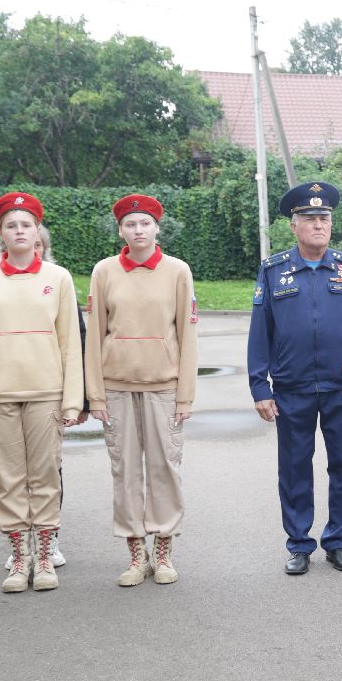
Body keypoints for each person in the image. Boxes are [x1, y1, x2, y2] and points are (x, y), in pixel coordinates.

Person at [247, 181, 342, 575]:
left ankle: (338, 541)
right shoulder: (274, 271)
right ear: (294, 226)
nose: (318, 225)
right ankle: (299, 544)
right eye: (309, 219)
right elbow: (261, 334)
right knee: (293, 467)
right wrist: (260, 386)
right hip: (292, 388)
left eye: (324, 218)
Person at [0, 192, 83, 592]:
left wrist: (72, 399)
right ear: (1, 233)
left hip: (46, 390)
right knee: (10, 478)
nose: (19, 231)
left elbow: (70, 342)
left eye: (26, 225)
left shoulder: (58, 278)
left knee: (45, 474)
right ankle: (19, 557)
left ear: (37, 232)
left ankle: (45, 556)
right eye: (11, 225)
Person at [86, 194, 199, 586]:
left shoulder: (177, 271)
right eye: (131, 224)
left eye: (145, 223)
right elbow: (94, 336)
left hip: (163, 387)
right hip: (116, 388)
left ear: (157, 228)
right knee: (126, 471)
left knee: (165, 469)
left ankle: (164, 552)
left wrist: (184, 395)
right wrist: (95, 396)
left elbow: (187, 334)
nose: (138, 230)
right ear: (120, 229)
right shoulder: (103, 272)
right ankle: (136, 554)